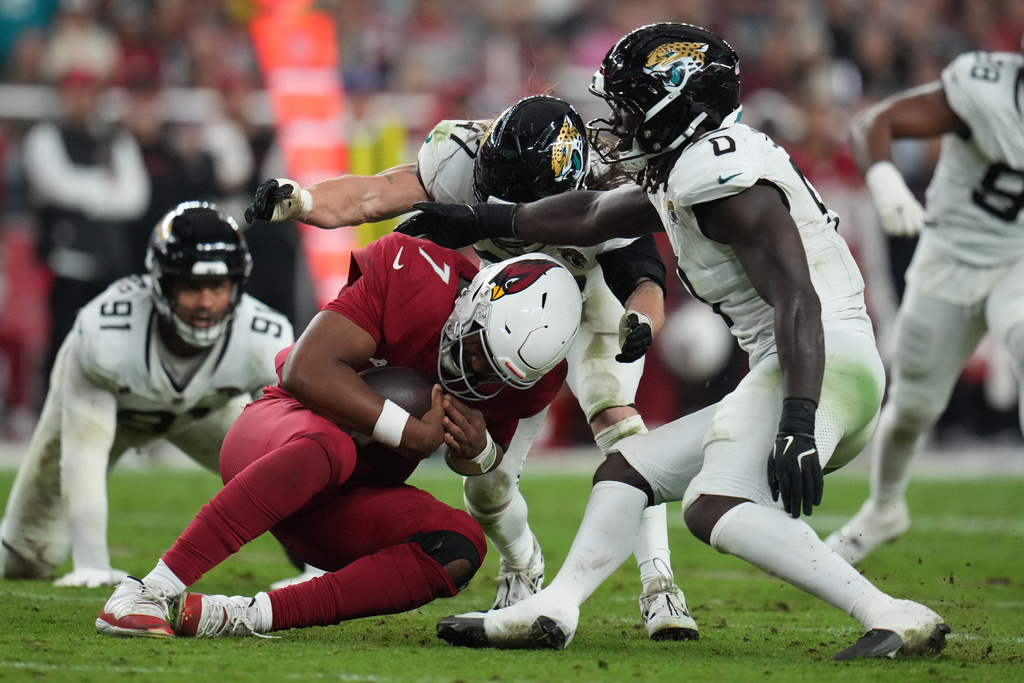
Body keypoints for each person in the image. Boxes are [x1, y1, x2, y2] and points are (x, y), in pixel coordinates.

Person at [413, 23, 949, 661]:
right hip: (801, 361)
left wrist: (800, 419)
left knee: (714, 504)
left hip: (823, 361)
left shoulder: (723, 183)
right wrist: (479, 220)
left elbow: (797, 296)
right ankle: (553, 608)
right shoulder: (686, 167)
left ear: (675, 106)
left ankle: (891, 613)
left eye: (629, 106)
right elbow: (590, 215)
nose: (616, 120)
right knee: (627, 470)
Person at [245, 95, 697, 641]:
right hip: (506, 315)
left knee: (615, 418)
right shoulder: (461, 152)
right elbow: (373, 194)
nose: (502, 208)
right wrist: (303, 200)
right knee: (486, 477)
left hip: (596, 308)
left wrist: (641, 323)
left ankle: (660, 585)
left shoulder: (607, 187)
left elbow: (645, 283)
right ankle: (521, 562)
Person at [94, 235, 581, 639]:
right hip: (279, 439)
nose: (476, 370)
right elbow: (307, 369)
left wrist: (479, 451)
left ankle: (245, 615)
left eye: (493, 372)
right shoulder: (416, 276)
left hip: (345, 502)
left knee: (459, 546)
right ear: (476, 303)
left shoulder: (529, 379)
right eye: (477, 349)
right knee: (332, 448)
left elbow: (479, 464)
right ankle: (148, 590)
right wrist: (406, 431)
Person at [0, 201, 294, 588]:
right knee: (26, 558)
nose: (206, 302)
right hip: (109, 415)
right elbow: (82, 451)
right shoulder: (109, 333)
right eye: (191, 287)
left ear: (237, 284)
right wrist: (91, 562)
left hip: (199, 412)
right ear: (162, 282)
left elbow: (291, 450)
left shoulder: (261, 338)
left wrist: (316, 560)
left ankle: (316, 564)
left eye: (218, 287)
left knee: (286, 457)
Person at [823, 46, 1024, 564]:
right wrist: (886, 184)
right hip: (950, 256)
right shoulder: (986, 88)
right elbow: (875, 122)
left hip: (1020, 260)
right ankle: (884, 508)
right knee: (913, 404)